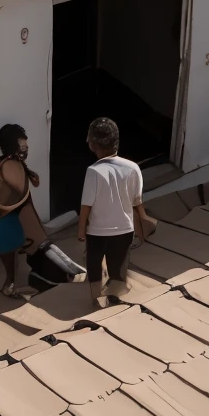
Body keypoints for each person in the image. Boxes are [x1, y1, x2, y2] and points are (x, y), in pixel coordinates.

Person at [78, 116, 148, 305]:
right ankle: (114, 298)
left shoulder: (93, 171)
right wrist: (142, 223)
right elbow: (137, 202)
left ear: (93, 144)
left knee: (94, 265)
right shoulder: (133, 168)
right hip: (125, 230)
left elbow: (86, 205)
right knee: (118, 265)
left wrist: (81, 229)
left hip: (97, 231)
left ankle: (96, 299)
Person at [0, 123, 51, 296]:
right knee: (11, 254)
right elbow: (21, 189)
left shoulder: (14, 162)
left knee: (18, 252)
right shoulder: (9, 164)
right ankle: (10, 286)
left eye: (26, 146)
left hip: (13, 217)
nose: (26, 150)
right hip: (7, 218)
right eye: (22, 147)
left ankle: (14, 283)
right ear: (12, 146)